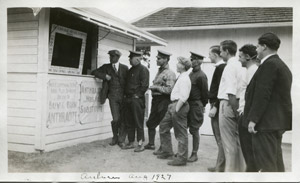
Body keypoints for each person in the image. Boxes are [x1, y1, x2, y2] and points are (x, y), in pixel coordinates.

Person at [243, 32, 292, 172]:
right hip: (274, 123)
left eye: (258, 46)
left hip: (266, 124)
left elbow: (262, 95)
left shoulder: (269, 65)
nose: (256, 50)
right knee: (275, 161)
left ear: (264, 47)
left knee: (267, 163)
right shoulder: (280, 64)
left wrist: (253, 119)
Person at [217, 40, 246, 172]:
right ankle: (240, 171)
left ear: (227, 51)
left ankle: (230, 174)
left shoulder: (229, 67)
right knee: (238, 142)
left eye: (221, 51)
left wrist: (234, 111)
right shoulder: (241, 65)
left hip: (228, 104)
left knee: (228, 144)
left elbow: (230, 91)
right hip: (238, 103)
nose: (220, 53)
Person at [158, 56, 192, 166]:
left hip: (179, 106)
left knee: (181, 133)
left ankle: (181, 158)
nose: (177, 65)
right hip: (173, 105)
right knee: (163, 127)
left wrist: (176, 109)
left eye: (179, 63)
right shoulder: (181, 76)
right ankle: (167, 151)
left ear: (183, 66)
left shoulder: (184, 78)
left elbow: (184, 96)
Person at [91, 50, 128, 147]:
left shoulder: (125, 68)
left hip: (123, 97)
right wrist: (104, 76)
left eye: (113, 57)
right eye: (110, 56)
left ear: (118, 57)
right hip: (112, 97)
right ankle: (115, 137)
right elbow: (94, 71)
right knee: (115, 119)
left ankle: (121, 140)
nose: (111, 58)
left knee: (123, 119)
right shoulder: (106, 67)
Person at [145, 50, 176, 151]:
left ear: (166, 60)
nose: (156, 60)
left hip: (164, 101)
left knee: (164, 125)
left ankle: (164, 147)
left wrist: (156, 88)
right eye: (157, 58)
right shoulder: (160, 71)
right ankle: (151, 144)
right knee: (150, 123)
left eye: (159, 58)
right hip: (156, 101)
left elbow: (169, 90)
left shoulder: (170, 73)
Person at [237, 44, 259, 172]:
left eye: (240, 57)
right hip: (244, 114)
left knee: (249, 152)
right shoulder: (248, 71)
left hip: (247, 115)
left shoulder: (253, 71)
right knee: (247, 152)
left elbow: (253, 96)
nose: (239, 59)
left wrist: (248, 116)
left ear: (247, 57)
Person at [122, 51, 149, 152]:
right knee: (129, 121)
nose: (129, 60)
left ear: (137, 59)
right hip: (128, 99)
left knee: (138, 122)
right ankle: (131, 142)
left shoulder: (143, 70)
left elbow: (144, 85)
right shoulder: (130, 70)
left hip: (136, 100)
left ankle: (140, 144)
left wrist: (137, 95)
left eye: (131, 58)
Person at [207, 45, 226, 172]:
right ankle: (221, 165)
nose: (208, 56)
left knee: (220, 138)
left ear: (215, 54)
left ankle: (220, 167)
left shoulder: (221, 68)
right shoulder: (220, 68)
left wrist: (215, 107)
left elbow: (221, 90)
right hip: (216, 105)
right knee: (219, 138)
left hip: (217, 107)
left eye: (210, 54)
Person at [186, 52, 208, 162]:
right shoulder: (190, 74)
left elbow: (205, 94)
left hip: (195, 105)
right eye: (191, 59)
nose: (191, 61)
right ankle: (183, 151)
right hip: (187, 104)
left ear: (199, 61)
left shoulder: (201, 76)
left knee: (194, 130)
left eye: (193, 59)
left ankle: (194, 154)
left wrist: (201, 105)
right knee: (184, 127)